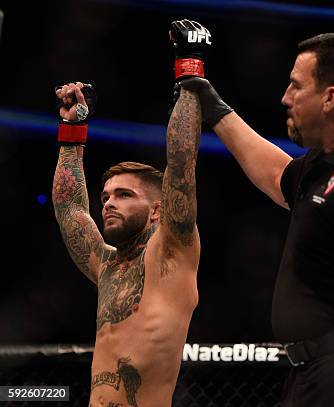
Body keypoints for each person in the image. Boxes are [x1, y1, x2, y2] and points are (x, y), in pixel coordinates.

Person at [184, 33, 334, 406]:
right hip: (317, 373)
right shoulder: (329, 163)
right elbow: (276, 175)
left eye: (297, 86)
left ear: (331, 98)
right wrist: (215, 108)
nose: (286, 97)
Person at [51, 19, 210, 406]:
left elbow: (181, 162)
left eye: (123, 195)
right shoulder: (106, 267)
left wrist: (190, 66)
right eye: (105, 196)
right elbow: (69, 206)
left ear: (158, 210)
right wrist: (74, 130)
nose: (107, 203)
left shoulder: (171, 255)